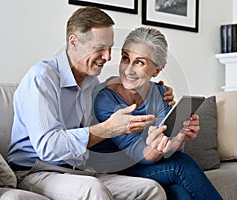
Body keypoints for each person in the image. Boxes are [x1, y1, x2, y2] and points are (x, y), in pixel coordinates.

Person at [7, 7, 175, 200]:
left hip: (78, 171)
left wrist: (159, 89)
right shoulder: (42, 78)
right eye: (99, 48)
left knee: (151, 189)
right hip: (36, 170)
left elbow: (119, 86)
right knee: (92, 189)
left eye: (110, 48)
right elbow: (48, 147)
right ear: (74, 42)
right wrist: (107, 129)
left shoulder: (90, 82)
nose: (108, 56)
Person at [90, 27, 223, 200]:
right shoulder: (105, 99)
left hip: (146, 164)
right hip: (115, 168)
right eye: (125, 58)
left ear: (156, 70)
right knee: (181, 165)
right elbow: (138, 154)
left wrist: (181, 136)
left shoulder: (161, 93)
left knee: (180, 193)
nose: (128, 69)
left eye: (139, 62)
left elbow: (169, 148)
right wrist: (156, 148)